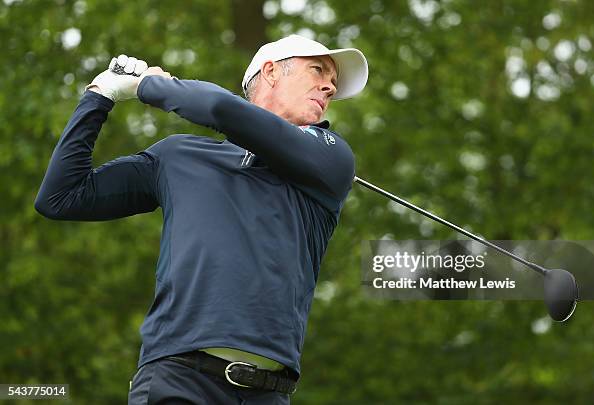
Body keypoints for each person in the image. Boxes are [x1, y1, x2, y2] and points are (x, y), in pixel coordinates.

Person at [35, 34, 368, 404]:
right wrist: (100, 97)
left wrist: (150, 86)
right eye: (318, 70)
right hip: (179, 382)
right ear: (271, 72)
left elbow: (220, 109)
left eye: (334, 83)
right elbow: (61, 197)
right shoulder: (177, 157)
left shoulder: (332, 158)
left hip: (270, 393)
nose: (329, 86)